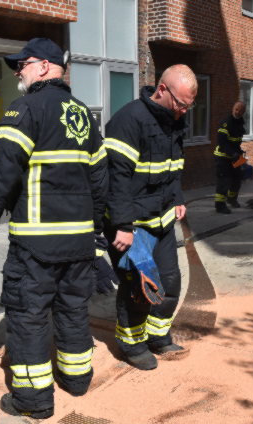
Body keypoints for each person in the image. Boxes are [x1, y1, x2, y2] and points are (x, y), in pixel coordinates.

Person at [0, 38, 110, 419]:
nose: (19, 72)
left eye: (23, 64)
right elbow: (100, 180)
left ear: (45, 67)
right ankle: (77, 379)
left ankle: (32, 400)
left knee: (29, 316)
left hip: (37, 244)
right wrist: (95, 228)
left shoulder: (25, 110)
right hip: (80, 242)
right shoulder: (83, 115)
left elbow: (2, 172)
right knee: (72, 309)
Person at [103, 65, 197, 370]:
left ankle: (158, 337)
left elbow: (173, 169)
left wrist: (178, 199)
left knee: (170, 281)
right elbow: (116, 179)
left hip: (162, 218)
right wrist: (123, 226)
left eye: (189, 106)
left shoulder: (173, 121)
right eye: (181, 104)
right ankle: (131, 345)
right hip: (133, 224)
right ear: (162, 90)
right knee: (138, 288)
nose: (184, 112)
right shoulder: (129, 120)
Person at [213, 101, 246, 214]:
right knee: (224, 180)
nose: (238, 112)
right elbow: (222, 142)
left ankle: (232, 199)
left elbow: (236, 142)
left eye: (241, 110)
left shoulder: (240, 123)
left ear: (244, 112)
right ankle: (220, 205)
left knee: (238, 178)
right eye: (236, 109)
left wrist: (240, 153)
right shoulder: (226, 123)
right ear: (233, 109)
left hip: (235, 156)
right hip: (222, 157)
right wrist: (233, 153)